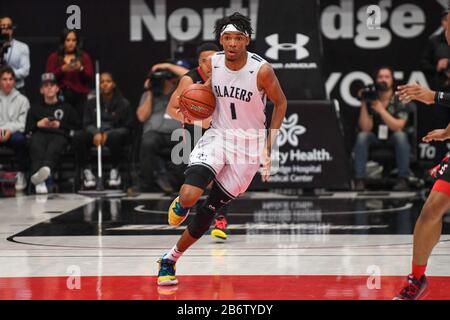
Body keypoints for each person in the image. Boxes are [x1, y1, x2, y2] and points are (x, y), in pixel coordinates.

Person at [157, 12, 287, 286]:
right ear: (221, 40)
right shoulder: (214, 63)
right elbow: (206, 92)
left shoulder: (261, 70)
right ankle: (182, 203)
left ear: (247, 40)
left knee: (208, 212)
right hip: (219, 136)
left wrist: (269, 145)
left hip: (249, 148)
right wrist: (192, 108)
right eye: (227, 38)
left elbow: (281, 103)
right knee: (191, 194)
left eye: (237, 38)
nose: (231, 43)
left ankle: (170, 258)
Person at [165, 42, 231, 240]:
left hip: (220, 133)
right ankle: (183, 203)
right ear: (199, 63)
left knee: (221, 178)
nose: (209, 64)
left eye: (213, 59)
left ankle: (220, 219)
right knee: (196, 182)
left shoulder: (228, 77)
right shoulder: (189, 80)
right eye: (204, 60)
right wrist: (202, 120)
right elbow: (171, 109)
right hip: (195, 132)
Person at [353, 66, 412, 191]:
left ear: (392, 80)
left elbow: (398, 126)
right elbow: (365, 128)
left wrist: (380, 110)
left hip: (393, 138)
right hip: (375, 138)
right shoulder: (371, 98)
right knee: (362, 136)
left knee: (400, 136)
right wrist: (364, 102)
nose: (383, 79)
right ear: (376, 80)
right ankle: (359, 179)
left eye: (386, 77)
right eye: (380, 77)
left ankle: (403, 179)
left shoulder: (399, 98)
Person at [74, 72, 133, 189]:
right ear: (98, 85)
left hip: (113, 135)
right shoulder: (92, 103)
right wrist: (96, 132)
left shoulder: (123, 104)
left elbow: (127, 127)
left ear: (114, 84)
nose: (105, 84)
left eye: (108, 81)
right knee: (79, 136)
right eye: (102, 82)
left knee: (116, 137)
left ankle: (114, 171)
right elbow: (86, 123)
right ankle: (87, 172)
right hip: (95, 135)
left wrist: (107, 134)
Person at [25, 73, 80, 194]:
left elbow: (77, 127)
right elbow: (27, 130)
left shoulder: (67, 107)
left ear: (57, 88)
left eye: (52, 85)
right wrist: (38, 125)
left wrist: (60, 125)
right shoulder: (34, 108)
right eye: (45, 86)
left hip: (59, 135)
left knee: (56, 144)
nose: (49, 88)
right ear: (41, 90)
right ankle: (41, 181)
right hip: (40, 134)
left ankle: (43, 174)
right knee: (36, 143)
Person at [136, 65, 184, 193]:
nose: (163, 82)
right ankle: (147, 183)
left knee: (186, 141)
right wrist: (151, 91)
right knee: (147, 142)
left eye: (166, 79)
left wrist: (167, 66)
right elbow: (141, 117)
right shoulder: (149, 94)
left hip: (177, 133)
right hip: (155, 134)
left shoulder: (181, 93)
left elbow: (190, 75)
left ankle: (173, 182)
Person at [46, 28, 94, 122]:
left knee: (80, 124)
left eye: (73, 40)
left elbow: (89, 77)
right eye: (68, 40)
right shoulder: (54, 57)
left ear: (77, 42)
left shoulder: (84, 57)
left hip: (80, 98)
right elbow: (48, 78)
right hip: (60, 96)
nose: (71, 43)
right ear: (63, 41)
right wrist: (62, 69)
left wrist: (81, 69)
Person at [0, 66, 30, 191]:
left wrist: (7, 130)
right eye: (4, 79)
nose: (7, 82)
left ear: (14, 81)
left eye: (10, 79)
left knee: (20, 140)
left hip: (13, 134)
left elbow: (22, 124)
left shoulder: (22, 100)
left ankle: (21, 174)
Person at [0, 16, 30, 94]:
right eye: (3, 26)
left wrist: (7, 76)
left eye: (9, 26)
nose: (5, 29)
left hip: (17, 89)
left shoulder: (22, 47)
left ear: (12, 29)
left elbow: (25, 70)